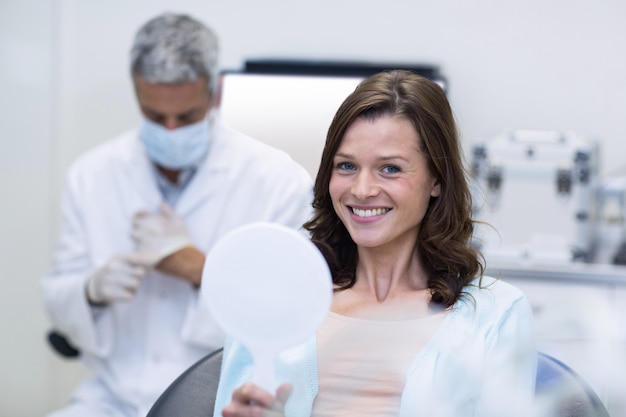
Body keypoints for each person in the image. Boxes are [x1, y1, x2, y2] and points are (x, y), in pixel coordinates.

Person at [213, 70, 537, 417]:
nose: (362, 190)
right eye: (347, 166)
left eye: (390, 169)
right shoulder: (273, 303)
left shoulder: (496, 316)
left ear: (437, 180)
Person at [41, 12, 313, 417]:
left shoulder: (277, 181)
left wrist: (198, 267)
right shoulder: (92, 174)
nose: (170, 130)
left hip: (219, 397)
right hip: (112, 400)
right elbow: (59, 300)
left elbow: (292, 313)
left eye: (185, 117)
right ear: (136, 94)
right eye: (154, 116)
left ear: (214, 93)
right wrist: (92, 291)